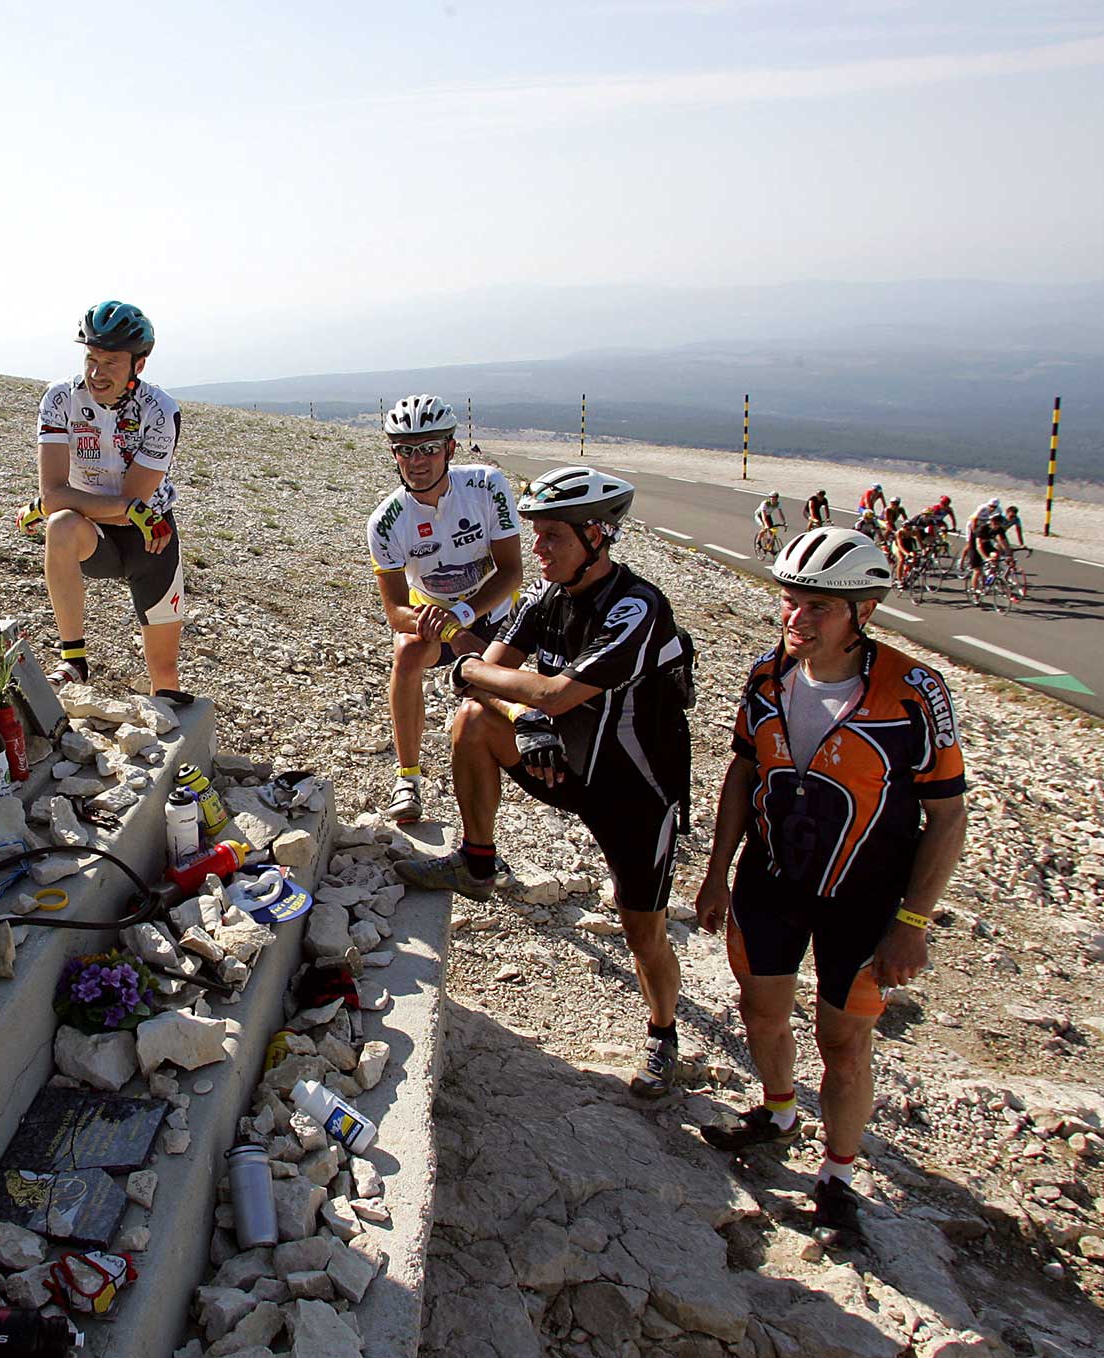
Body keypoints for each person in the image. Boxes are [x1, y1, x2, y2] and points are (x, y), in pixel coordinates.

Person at [695, 528, 967, 1247]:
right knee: (761, 1010)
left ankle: (838, 1176)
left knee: (843, 1044)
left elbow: (947, 815)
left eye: (818, 605)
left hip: (866, 900)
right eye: (789, 600)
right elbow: (743, 774)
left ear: (864, 612)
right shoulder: (764, 678)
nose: (796, 618)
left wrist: (914, 920)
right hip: (771, 882)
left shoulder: (914, 692)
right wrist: (716, 871)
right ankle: (778, 1111)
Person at [395, 466, 696, 1096]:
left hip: (634, 789)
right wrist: (518, 707)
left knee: (642, 928)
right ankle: (478, 863)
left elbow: (555, 692)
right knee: (472, 721)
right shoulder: (543, 600)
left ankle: (662, 1033)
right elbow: (477, 679)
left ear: (597, 536)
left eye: (553, 536)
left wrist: (518, 695)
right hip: (559, 759)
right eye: (535, 535)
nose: (537, 550)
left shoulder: (637, 607)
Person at [366, 395, 524, 824]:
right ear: (394, 453)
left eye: (430, 448)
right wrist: (452, 630)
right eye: (406, 450)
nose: (418, 461)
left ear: (450, 449)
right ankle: (407, 778)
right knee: (406, 653)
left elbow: (511, 573)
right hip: (438, 623)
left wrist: (465, 616)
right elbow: (396, 610)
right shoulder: (386, 521)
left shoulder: (488, 486)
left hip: (499, 616)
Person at [18, 302, 185, 695]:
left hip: (151, 540)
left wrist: (48, 505)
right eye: (91, 358)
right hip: (93, 535)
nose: (96, 372)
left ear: (137, 366)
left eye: (111, 362)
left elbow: (132, 505)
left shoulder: (160, 410)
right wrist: (54, 504)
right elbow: (56, 492)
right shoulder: (60, 399)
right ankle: (74, 659)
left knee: (164, 673)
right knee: (59, 526)